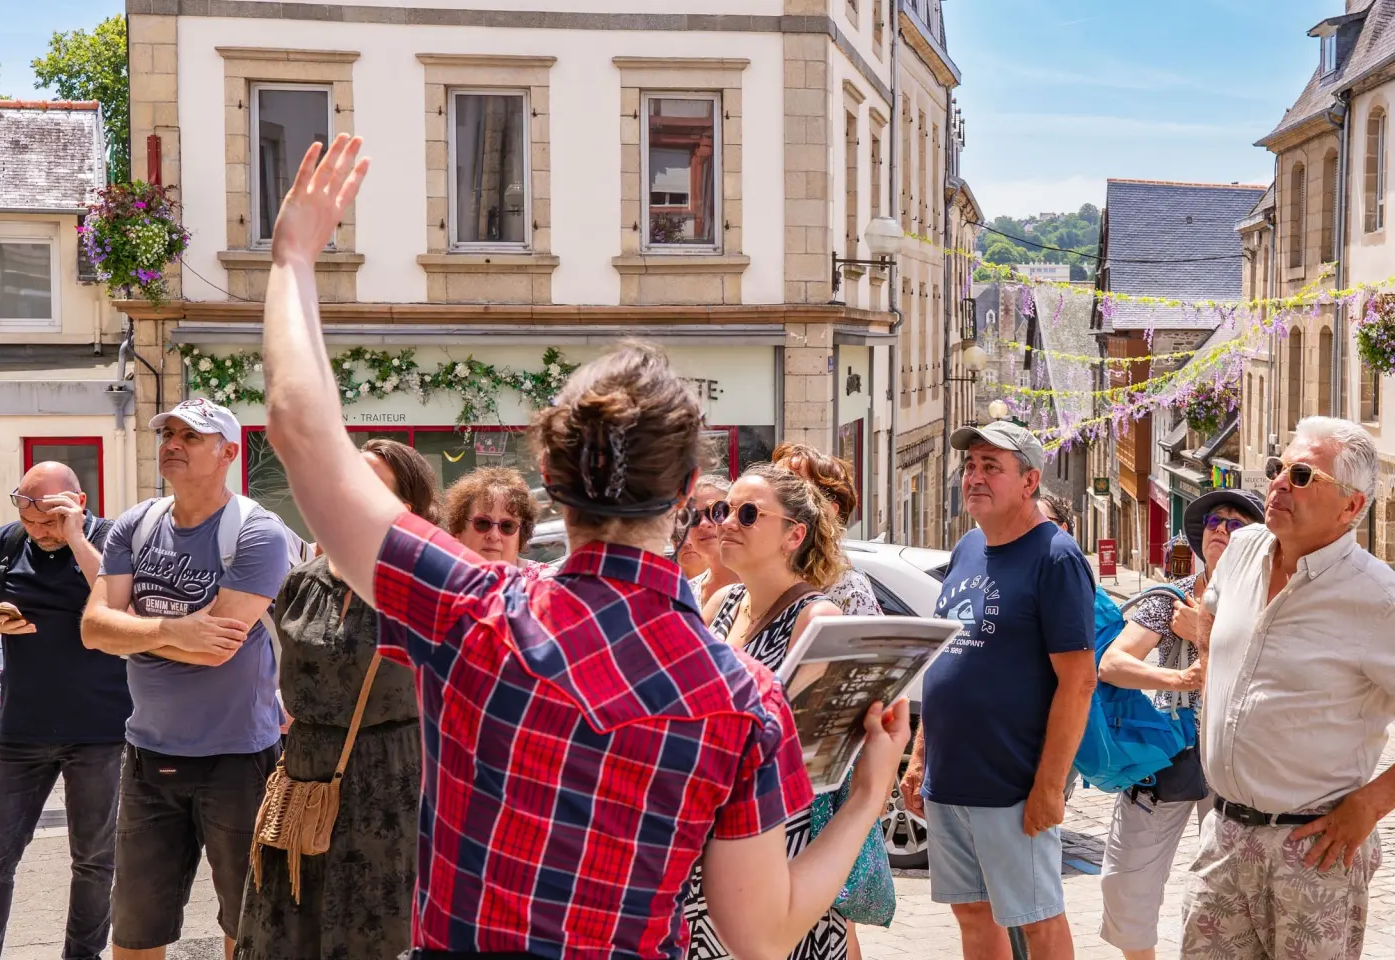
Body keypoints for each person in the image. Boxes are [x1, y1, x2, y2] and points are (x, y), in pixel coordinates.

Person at [251, 135, 908, 959]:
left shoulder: (471, 610)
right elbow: (763, 935)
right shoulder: (743, 703)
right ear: (683, 497)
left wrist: (293, 258)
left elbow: (301, 429)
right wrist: (867, 794)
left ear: (549, 480)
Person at [1182, 416, 1395, 960]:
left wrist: (1372, 805)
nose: (1277, 483)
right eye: (1279, 468)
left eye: (1302, 476)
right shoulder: (1243, 550)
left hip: (1314, 850)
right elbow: (1210, 620)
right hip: (1224, 835)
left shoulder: (1379, 598)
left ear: (1351, 507)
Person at [82, 397, 296, 960]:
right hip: (149, 756)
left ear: (228, 452)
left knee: (247, 925)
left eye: (191, 436)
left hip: (239, 761)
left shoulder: (258, 533)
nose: (172, 443)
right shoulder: (136, 523)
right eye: (168, 433)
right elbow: (92, 629)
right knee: (135, 930)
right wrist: (174, 632)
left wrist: (133, 630)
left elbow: (215, 649)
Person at [900, 419, 1098, 960]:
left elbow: (1078, 681)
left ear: (1030, 481)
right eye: (970, 466)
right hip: (952, 777)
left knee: (1037, 919)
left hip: (1012, 783)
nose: (974, 477)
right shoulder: (967, 547)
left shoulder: (1055, 557)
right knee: (971, 913)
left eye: (992, 467)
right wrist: (921, 758)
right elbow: (948, 661)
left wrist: (1049, 787)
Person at [234, 439, 439, 960]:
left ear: (405, 508)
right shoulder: (302, 584)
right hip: (304, 777)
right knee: (289, 928)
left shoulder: (423, 587)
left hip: (389, 781)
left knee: (376, 932)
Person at [687, 463, 893, 960]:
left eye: (748, 513)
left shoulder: (815, 617)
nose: (725, 523)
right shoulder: (721, 604)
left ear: (793, 535)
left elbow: (808, 756)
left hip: (777, 847)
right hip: (708, 837)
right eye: (722, 510)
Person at [0, 462, 130, 960]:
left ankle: (82, 955)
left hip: (101, 731)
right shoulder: (6, 545)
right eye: (29, 520)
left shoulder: (113, 538)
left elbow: (121, 604)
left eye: (49, 519)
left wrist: (75, 538)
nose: (39, 532)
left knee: (95, 862)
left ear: (78, 502)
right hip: (21, 732)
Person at [1096, 488, 1262, 960]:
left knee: (1228, 894)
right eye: (1214, 522)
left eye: (1236, 524)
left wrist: (1204, 636)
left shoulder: (1269, 604)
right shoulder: (1171, 599)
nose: (1221, 531)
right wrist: (1178, 676)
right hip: (1170, 754)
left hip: (1236, 762)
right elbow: (1112, 663)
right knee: (1125, 882)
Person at [775, 442, 881, 616]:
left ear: (829, 511)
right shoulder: (756, 575)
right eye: (775, 480)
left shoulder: (848, 589)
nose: (775, 491)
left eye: (793, 486)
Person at [443, 465, 536, 567]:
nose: (494, 536)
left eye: (507, 526)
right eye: (483, 523)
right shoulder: (437, 579)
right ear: (458, 530)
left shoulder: (544, 579)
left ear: (522, 536)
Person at [683, 474, 739, 610]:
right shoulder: (685, 593)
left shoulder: (760, 589)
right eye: (693, 516)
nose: (703, 524)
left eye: (716, 512)